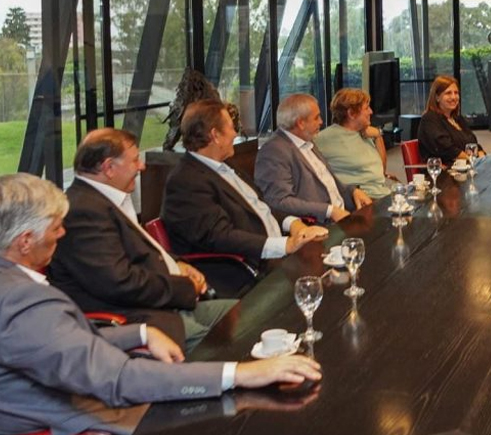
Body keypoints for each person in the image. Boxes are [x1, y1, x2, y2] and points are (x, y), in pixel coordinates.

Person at [0, 173, 322, 435]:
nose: (62, 233)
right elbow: (119, 379)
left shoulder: (12, 284)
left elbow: (66, 343)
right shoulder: (22, 300)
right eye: (55, 227)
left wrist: (140, 333)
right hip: (88, 419)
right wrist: (240, 373)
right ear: (25, 240)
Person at [48, 129, 237, 352]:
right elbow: (120, 283)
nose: (142, 166)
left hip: (165, 305)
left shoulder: (104, 200)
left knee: (245, 316)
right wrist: (185, 287)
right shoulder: (83, 212)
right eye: (135, 160)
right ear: (109, 168)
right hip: (140, 318)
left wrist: (178, 264)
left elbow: (141, 248)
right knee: (231, 345)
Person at [161, 99, 328, 268]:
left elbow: (261, 205)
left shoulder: (226, 165)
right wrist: (285, 245)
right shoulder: (186, 181)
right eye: (231, 127)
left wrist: (293, 223)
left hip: (278, 254)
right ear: (215, 135)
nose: (235, 134)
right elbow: (220, 237)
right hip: (250, 267)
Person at [255, 93, 372, 222]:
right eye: (316, 118)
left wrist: (353, 191)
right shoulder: (274, 152)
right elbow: (280, 201)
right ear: (301, 123)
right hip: (319, 224)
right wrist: (329, 211)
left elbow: (328, 181)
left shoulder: (306, 140)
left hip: (344, 212)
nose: (321, 122)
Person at [314, 88, 395, 199]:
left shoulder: (365, 132)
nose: (371, 112)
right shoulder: (324, 138)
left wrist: (378, 136)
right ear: (351, 113)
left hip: (382, 193)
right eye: (366, 108)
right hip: (363, 199)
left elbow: (381, 170)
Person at [417, 75, 485, 165]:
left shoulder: (458, 119)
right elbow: (447, 149)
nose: (453, 97)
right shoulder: (429, 119)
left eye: (456, 93)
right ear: (437, 97)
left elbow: (472, 143)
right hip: (443, 170)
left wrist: (482, 157)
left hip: (467, 166)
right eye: (448, 93)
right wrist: (474, 160)